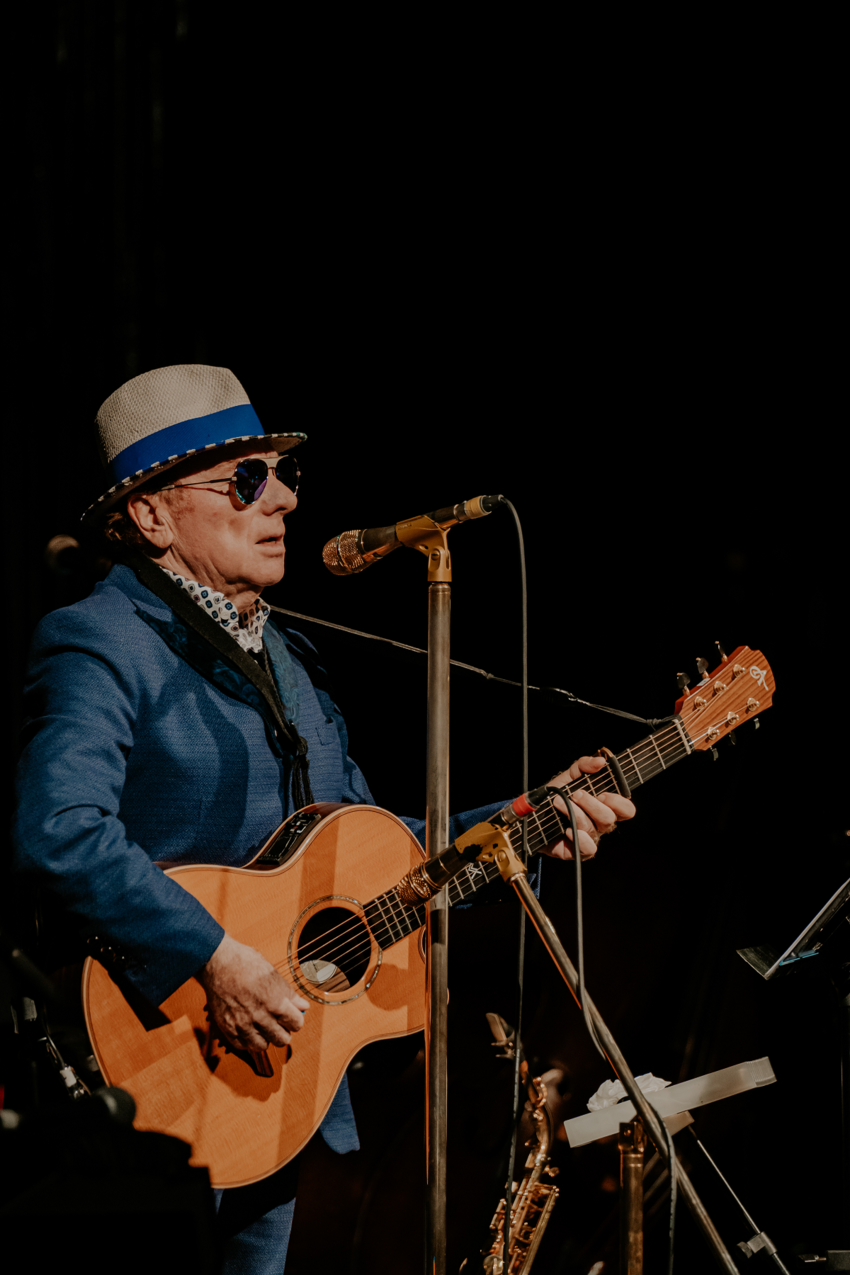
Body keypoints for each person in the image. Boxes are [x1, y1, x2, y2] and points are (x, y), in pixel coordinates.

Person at [12, 365, 635, 1272]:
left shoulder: (293, 663)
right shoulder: (100, 638)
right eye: (247, 480)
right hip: (141, 1100)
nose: (285, 501)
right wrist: (215, 956)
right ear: (151, 515)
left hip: (271, 1092)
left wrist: (527, 817)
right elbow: (57, 828)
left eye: (286, 475)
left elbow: (378, 862)